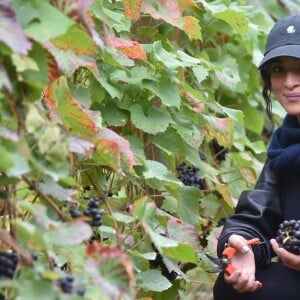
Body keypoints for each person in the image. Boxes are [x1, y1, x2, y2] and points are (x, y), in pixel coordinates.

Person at [213, 13, 300, 300]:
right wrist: (239, 243)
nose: (289, 82)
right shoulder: (285, 144)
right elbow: (260, 211)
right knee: (232, 285)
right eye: (278, 69)